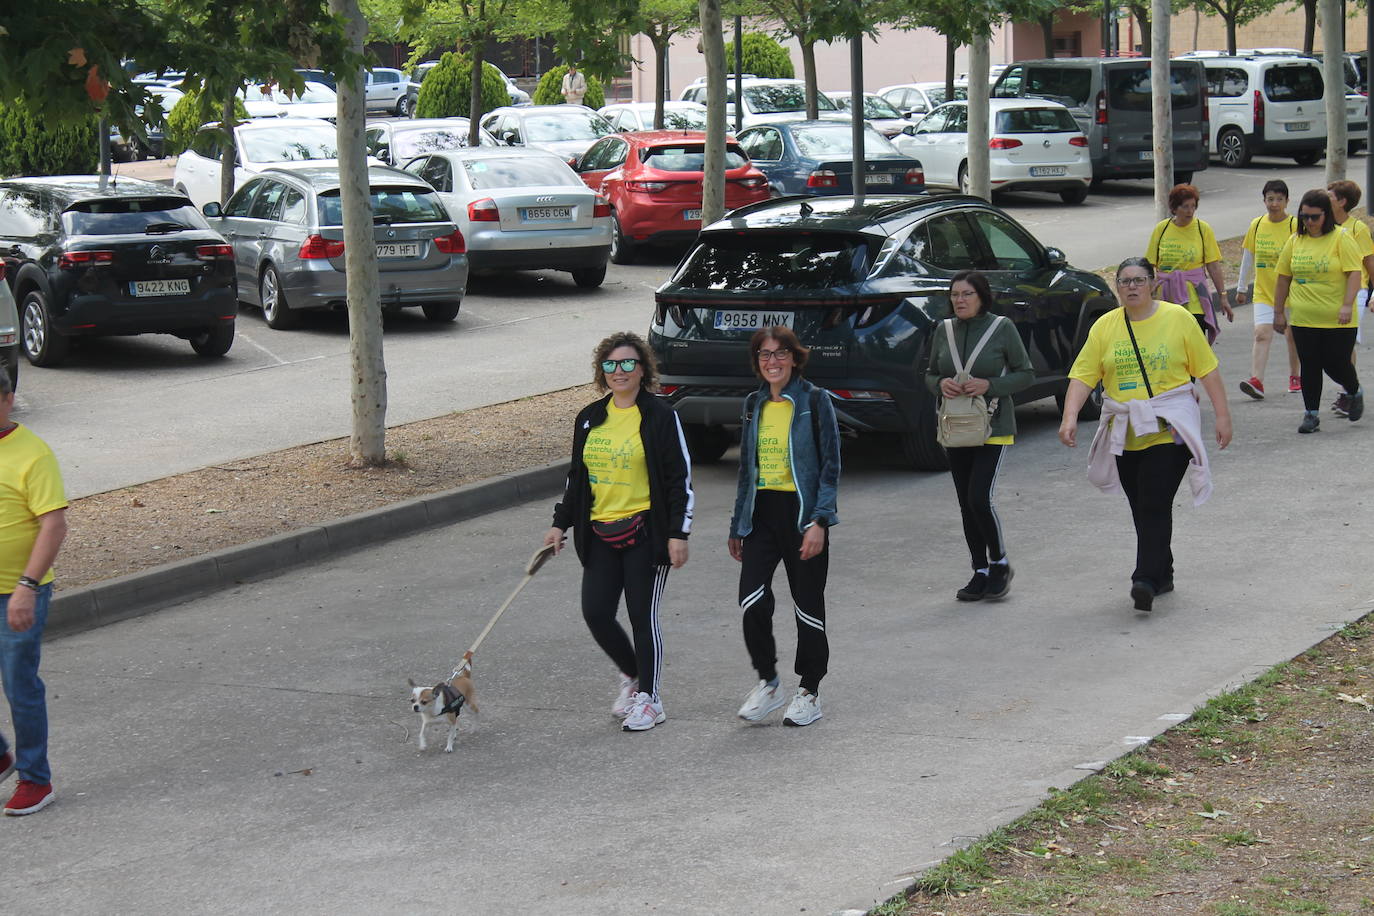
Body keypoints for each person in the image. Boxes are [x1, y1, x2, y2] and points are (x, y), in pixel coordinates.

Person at [1060, 257, 1232, 612]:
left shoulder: (1178, 319)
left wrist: (1222, 416)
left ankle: (1145, 579)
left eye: (1139, 280)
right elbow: (1084, 374)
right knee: (1142, 506)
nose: (1132, 287)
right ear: (1117, 287)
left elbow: (1207, 370)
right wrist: (1070, 416)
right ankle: (1164, 571)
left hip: (1170, 427)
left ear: (1153, 283)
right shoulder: (1105, 327)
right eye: (1125, 281)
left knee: (1154, 502)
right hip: (1124, 430)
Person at [544, 332, 693, 732]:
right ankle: (632, 675)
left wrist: (679, 532)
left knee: (642, 617)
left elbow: (680, 478)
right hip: (600, 533)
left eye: (628, 363)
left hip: (647, 533)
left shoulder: (660, 416)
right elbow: (578, 479)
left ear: (643, 369)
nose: (619, 371)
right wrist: (561, 522)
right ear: (601, 371)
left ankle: (651, 700)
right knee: (595, 612)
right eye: (610, 364)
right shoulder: (591, 417)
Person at [729, 326, 840, 727]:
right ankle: (768, 681)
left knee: (808, 606)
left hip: (802, 515)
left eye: (779, 354)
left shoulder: (814, 400)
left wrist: (820, 520)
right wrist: (737, 523)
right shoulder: (753, 404)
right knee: (751, 600)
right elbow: (746, 470)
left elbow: (831, 467)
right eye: (763, 355)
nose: (772, 362)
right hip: (761, 515)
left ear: (795, 358)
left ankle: (810, 690)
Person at [924, 270, 1033, 602]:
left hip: (992, 425)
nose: (959, 300)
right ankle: (979, 570)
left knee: (978, 498)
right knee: (964, 504)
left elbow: (1026, 374)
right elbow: (930, 374)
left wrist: (991, 386)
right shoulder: (943, 331)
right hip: (955, 427)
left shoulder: (1002, 329)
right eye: (955, 294)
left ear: (982, 297)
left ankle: (999, 563)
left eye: (966, 294)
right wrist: (940, 384)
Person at [0, 370, 68, 815]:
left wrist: (26, 587)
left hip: (18, 592)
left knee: (19, 685)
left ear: (8, 398)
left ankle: (35, 779)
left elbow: (54, 523)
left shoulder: (32, 454)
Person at [1273, 190, 1365, 432]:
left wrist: (1347, 304)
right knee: (1310, 365)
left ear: (1326, 214)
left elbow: (1355, 273)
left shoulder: (1341, 238)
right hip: (1303, 318)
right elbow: (1283, 278)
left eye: (1314, 217)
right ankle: (1311, 414)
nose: (1309, 222)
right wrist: (1278, 312)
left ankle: (1354, 390)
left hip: (1338, 319)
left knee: (1336, 364)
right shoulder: (1295, 241)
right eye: (1304, 216)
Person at [1235, 180, 1301, 399]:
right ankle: (1257, 381)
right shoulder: (1256, 224)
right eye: (1270, 199)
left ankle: (1295, 376)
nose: (1274, 204)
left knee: (1292, 336)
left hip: (1292, 293)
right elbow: (1248, 257)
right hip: (1264, 292)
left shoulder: (1294, 225)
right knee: (1261, 334)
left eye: (1279, 199)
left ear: (1287, 201)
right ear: (1264, 200)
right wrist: (1242, 287)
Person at [1146, 183, 1235, 343]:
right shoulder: (1162, 229)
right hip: (1166, 297)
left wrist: (1223, 297)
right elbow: (1149, 264)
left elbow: (1213, 266)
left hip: (1195, 299)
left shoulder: (1203, 229)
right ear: (1174, 208)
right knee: (1169, 345)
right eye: (1185, 206)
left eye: (1193, 206)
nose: (1190, 211)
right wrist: (1149, 291)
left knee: (1195, 346)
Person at [1325, 180, 1374, 416]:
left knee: (1346, 343)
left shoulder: (1358, 229)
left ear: (1342, 201)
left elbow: (1369, 263)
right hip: (1331, 291)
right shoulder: (1323, 226)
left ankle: (1349, 393)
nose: (1326, 198)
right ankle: (1349, 390)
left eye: (1330, 195)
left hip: (1357, 290)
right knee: (1334, 345)